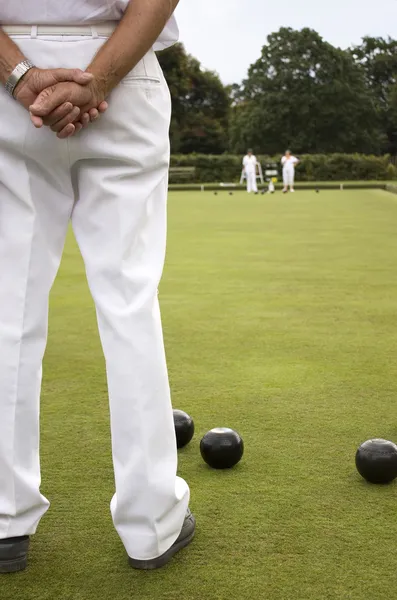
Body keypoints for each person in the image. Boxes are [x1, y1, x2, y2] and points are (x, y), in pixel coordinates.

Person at [0, 0, 195, 575]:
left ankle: (5, 519)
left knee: (7, 310)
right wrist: (96, 81)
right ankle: (152, 524)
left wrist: (20, 75)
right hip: (121, 72)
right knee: (130, 303)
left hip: (8, 78)